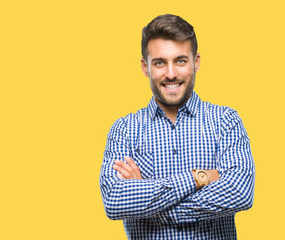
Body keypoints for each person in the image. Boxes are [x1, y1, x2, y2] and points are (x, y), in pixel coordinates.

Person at [99, 14, 255, 240]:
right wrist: (198, 178)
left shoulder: (226, 121)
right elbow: (114, 201)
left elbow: (240, 193)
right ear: (145, 67)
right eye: (160, 62)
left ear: (196, 62)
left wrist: (151, 203)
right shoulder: (124, 129)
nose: (171, 74)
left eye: (180, 60)